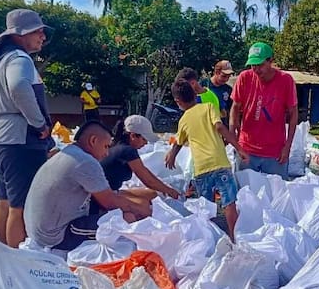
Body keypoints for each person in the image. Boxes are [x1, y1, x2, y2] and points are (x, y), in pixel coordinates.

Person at [0, 9, 54, 248]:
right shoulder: (19, 59)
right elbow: (19, 87)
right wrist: (38, 123)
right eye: (38, 32)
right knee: (21, 206)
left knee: (4, 201)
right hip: (20, 143)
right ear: (20, 34)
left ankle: (2, 252)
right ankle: (16, 259)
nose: (43, 37)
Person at [24, 121, 153, 251]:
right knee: (127, 218)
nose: (107, 153)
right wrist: (141, 211)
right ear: (93, 141)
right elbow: (109, 202)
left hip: (39, 230)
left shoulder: (69, 153)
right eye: (106, 146)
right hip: (56, 236)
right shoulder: (85, 161)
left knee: (123, 211)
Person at [165, 80, 249, 240]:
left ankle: (210, 239)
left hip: (201, 169)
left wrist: (172, 155)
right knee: (229, 202)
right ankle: (234, 238)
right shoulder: (208, 107)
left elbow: (179, 142)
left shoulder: (183, 120)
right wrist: (239, 148)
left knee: (206, 207)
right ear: (195, 95)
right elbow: (219, 127)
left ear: (178, 101)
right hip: (219, 163)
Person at [230, 42, 298, 180]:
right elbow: (235, 108)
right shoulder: (244, 78)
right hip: (247, 150)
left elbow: (293, 113)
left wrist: (287, 147)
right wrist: (233, 137)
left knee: (278, 191)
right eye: (253, 65)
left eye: (260, 65)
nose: (256, 69)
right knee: (245, 190)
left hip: (275, 152)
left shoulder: (285, 80)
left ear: (270, 61)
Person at [100, 115, 182, 200]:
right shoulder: (127, 151)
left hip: (105, 192)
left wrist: (164, 188)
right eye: (144, 139)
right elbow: (148, 181)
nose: (146, 143)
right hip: (105, 196)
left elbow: (145, 172)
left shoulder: (116, 146)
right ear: (133, 136)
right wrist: (170, 191)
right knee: (145, 202)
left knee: (152, 193)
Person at [202, 60, 234, 127]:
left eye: (228, 77)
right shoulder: (203, 85)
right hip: (206, 125)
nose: (226, 79)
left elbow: (231, 110)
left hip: (222, 126)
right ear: (216, 72)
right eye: (224, 76)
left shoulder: (228, 89)